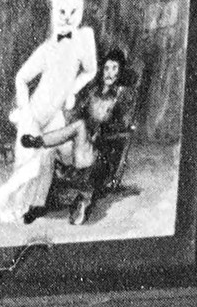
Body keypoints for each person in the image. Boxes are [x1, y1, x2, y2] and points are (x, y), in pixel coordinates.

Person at [20, 48, 134, 226]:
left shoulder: (121, 97)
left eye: (114, 68)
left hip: (99, 154)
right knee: (49, 151)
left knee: (80, 126)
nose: (109, 73)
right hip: (81, 148)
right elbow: (77, 116)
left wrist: (101, 131)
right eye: (106, 68)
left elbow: (122, 127)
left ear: (120, 71)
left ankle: (39, 141)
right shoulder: (93, 93)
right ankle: (38, 205)